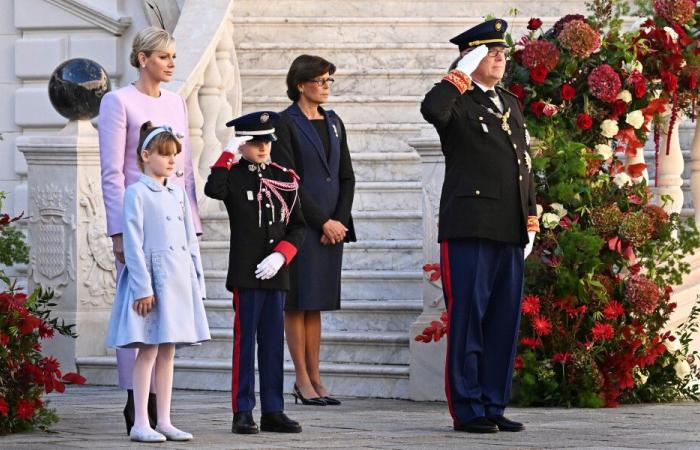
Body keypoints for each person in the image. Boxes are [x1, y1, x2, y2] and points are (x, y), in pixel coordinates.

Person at [420, 19, 539, 434]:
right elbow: (431, 109)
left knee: (502, 323)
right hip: (470, 225)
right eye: (490, 52)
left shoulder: (509, 101)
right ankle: (467, 407)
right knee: (469, 319)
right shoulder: (457, 100)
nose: (501, 58)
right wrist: (459, 74)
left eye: (502, 52)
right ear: (469, 58)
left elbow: (523, 163)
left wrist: (531, 215)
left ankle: (492, 402)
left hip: (509, 227)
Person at [98, 26, 202, 434]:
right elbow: (111, 171)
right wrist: (117, 231)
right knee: (139, 311)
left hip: (173, 222)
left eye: (174, 57)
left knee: (170, 318)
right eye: (164, 57)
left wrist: (192, 223)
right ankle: (135, 403)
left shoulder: (177, 102)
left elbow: (185, 169)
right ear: (143, 59)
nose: (172, 64)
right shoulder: (117, 101)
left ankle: (162, 413)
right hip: (137, 218)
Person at [105, 122, 210, 443]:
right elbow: (134, 244)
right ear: (145, 155)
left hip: (178, 279)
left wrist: (197, 281)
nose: (170, 161)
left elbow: (190, 239)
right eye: (164, 154)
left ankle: (164, 419)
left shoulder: (177, 193)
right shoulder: (136, 193)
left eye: (174, 155)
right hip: (151, 279)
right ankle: (140, 421)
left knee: (168, 351)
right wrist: (142, 287)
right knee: (148, 350)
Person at [204, 111, 305, 434]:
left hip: (275, 273)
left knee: (274, 344)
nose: (263, 148)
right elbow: (213, 190)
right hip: (247, 274)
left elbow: (298, 226)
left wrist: (282, 255)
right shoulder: (233, 176)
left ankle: (273, 409)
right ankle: (243, 410)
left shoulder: (284, 177)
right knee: (245, 343)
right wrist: (226, 153)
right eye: (255, 142)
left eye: (266, 141)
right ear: (243, 144)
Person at [273, 54, 356, 406]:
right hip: (301, 226)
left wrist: (339, 220)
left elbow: (346, 176)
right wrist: (323, 220)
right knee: (297, 303)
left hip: (332, 228)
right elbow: (289, 181)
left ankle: (317, 377)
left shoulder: (334, 121)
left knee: (316, 303)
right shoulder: (285, 122)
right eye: (320, 81)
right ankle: (301, 380)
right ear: (300, 84)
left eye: (329, 81)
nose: (326, 87)